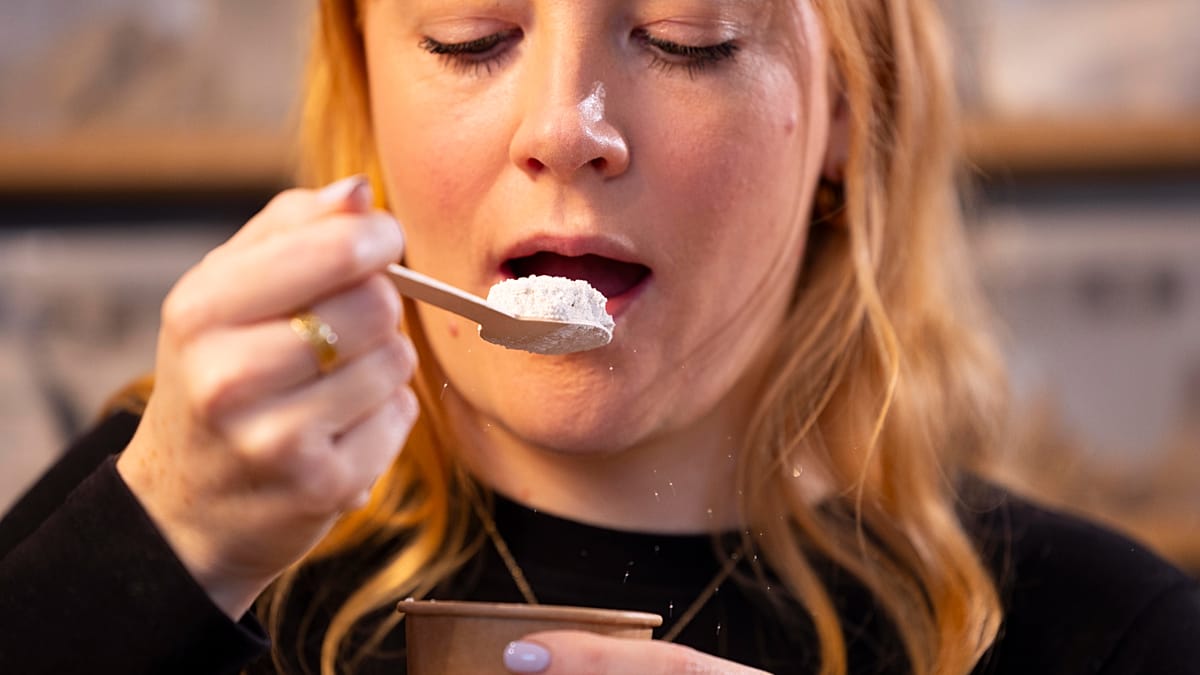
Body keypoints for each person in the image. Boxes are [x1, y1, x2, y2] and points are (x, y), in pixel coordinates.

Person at [1, 0, 1198, 673]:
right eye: (470, 34)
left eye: (687, 34)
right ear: (366, 84)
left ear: (849, 106)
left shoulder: (1109, 634)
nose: (565, 130)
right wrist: (152, 557)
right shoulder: (160, 516)